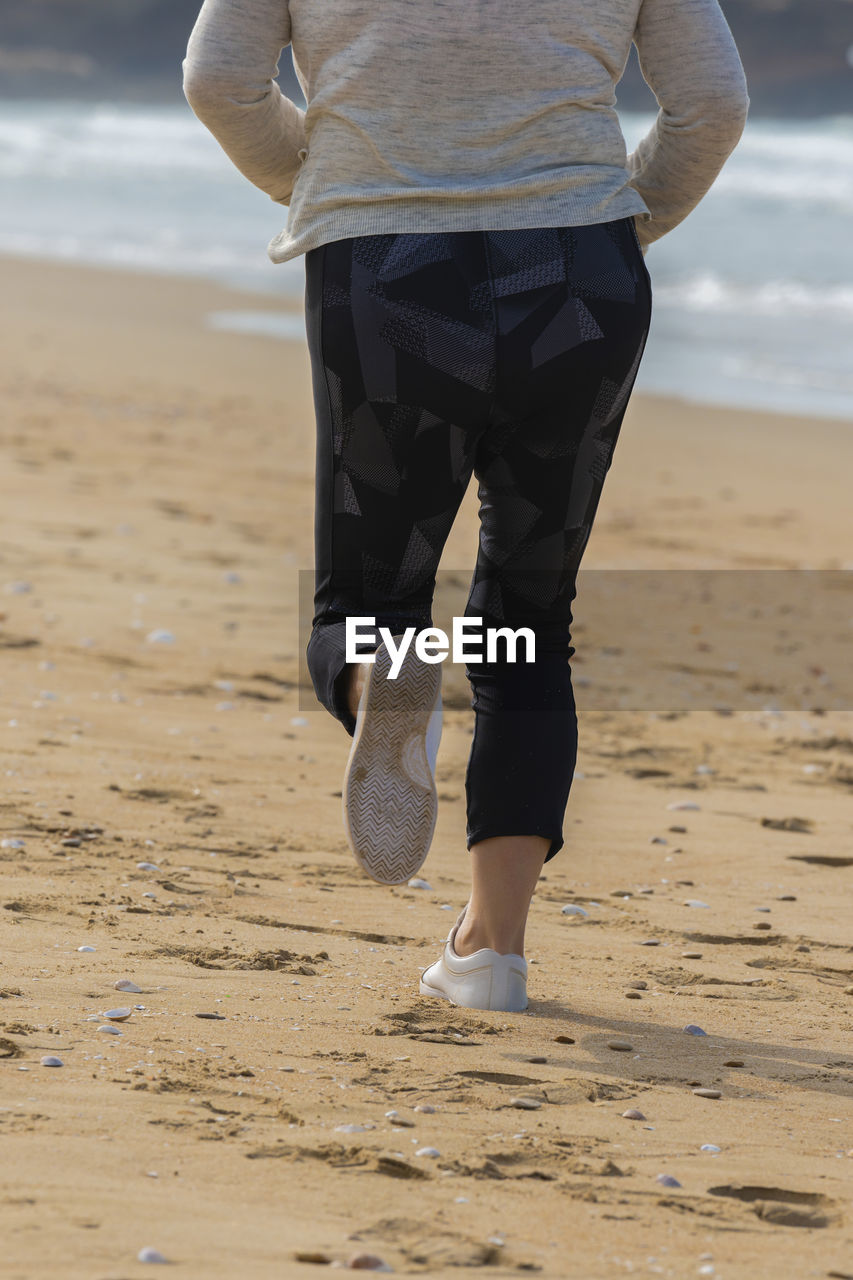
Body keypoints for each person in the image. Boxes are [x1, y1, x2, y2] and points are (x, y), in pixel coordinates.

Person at [183, 0, 749, 1012]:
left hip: (389, 269)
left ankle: (385, 681)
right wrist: (617, 220)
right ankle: (492, 951)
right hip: (581, 274)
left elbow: (220, 81)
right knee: (529, 617)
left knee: (362, 602)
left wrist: (326, 188)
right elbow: (710, 104)